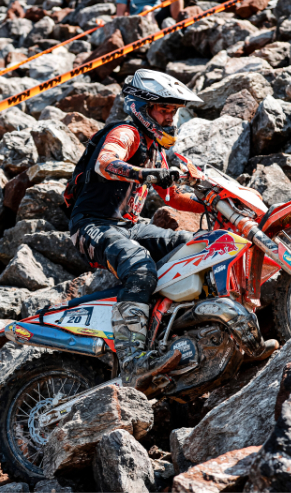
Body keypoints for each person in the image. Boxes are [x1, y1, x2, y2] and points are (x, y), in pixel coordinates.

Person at [68, 69, 207, 388]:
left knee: (194, 245)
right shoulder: (125, 133)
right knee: (140, 267)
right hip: (90, 223)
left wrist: (212, 203)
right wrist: (146, 174)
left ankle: (180, 331)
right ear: (141, 108)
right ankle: (132, 362)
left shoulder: (158, 148)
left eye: (173, 111)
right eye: (163, 109)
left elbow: (172, 196)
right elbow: (106, 162)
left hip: (129, 226)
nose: (170, 117)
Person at [116, 0, 183, 26]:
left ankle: (179, 24)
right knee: (147, 9)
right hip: (140, 20)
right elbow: (119, 16)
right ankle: (154, 35)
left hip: (159, 13)